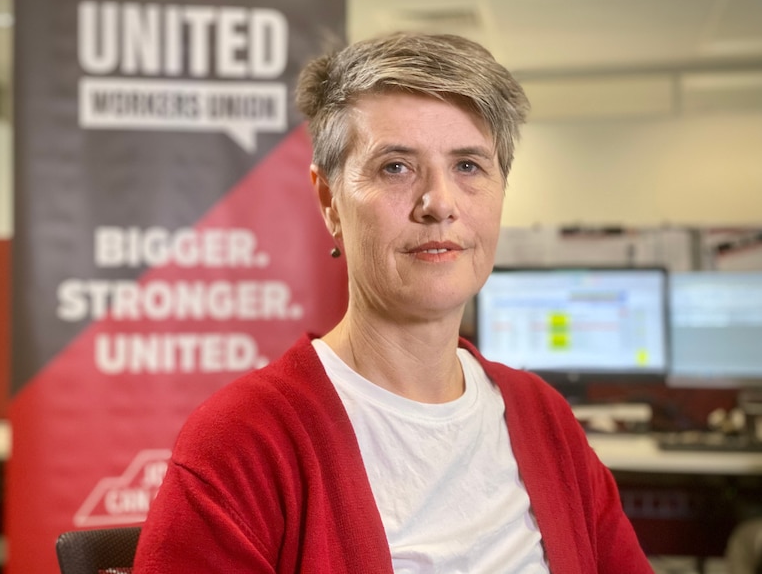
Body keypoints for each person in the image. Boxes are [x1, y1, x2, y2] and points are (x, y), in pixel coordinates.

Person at [133, 31, 653, 573]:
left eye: (469, 166)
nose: (439, 203)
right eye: (396, 167)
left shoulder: (545, 418)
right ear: (330, 201)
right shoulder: (244, 440)